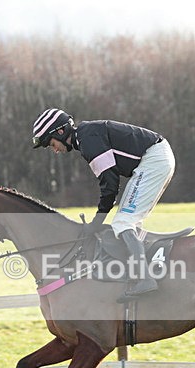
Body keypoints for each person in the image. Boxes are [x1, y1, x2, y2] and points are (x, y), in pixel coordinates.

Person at [32, 108, 175, 298]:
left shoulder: (87, 139)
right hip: (156, 158)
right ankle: (137, 274)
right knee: (126, 222)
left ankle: (145, 278)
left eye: (51, 144)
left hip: (153, 160)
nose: (55, 150)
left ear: (60, 132)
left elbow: (110, 184)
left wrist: (97, 222)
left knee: (123, 222)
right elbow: (110, 183)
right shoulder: (86, 136)